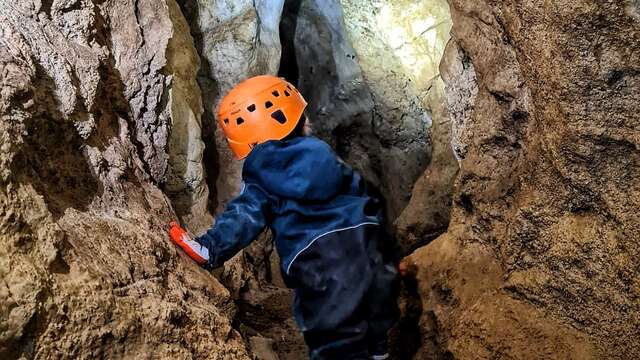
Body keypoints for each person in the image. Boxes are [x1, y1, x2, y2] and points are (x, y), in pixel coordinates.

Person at [168, 75, 399, 360]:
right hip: (371, 253)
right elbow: (363, 201)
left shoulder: (263, 169)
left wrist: (209, 248)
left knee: (337, 342)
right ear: (293, 120)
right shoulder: (323, 153)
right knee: (374, 328)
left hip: (320, 264)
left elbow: (246, 215)